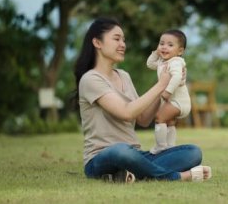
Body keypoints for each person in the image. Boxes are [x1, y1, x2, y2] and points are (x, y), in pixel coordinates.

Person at [73, 17, 211, 183]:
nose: (123, 44)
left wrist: (170, 87)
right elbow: (126, 112)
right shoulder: (91, 79)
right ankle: (177, 177)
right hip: (102, 157)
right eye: (116, 39)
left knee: (193, 152)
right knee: (121, 151)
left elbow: (144, 119)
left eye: (123, 40)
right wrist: (162, 84)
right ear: (97, 43)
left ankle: (129, 174)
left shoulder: (124, 76)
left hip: (135, 155)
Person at [146, 29, 191, 154]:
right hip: (174, 102)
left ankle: (160, 146)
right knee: (169, 122)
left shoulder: (176, 62)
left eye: (170, 45)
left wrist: (168, 91)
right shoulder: (162, 62)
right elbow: (150, 64)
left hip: (179, 102)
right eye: (162, 44)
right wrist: (156, 53)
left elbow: (177, 77)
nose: (164, 47)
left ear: (180, 51)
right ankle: (171, 147)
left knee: (160, 117)